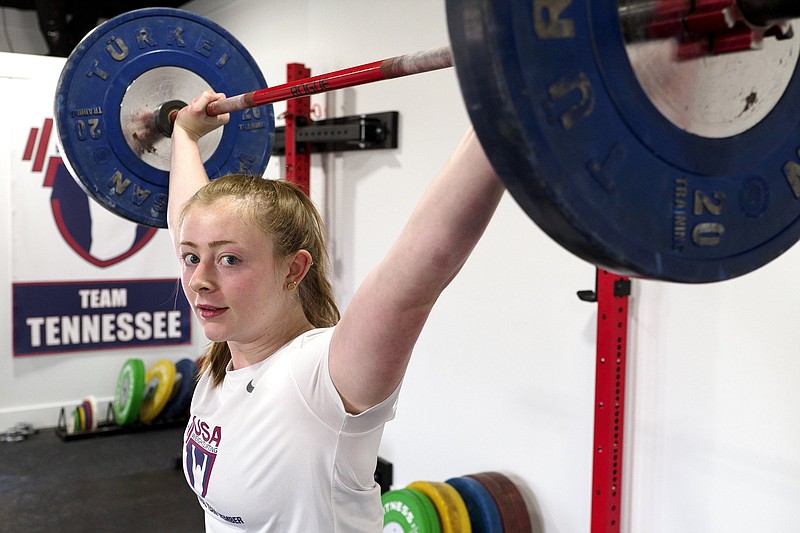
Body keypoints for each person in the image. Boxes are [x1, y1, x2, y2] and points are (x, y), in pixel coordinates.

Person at [170, 89, 504, 532]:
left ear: (294, 270)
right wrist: (184, 135)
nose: (199, 279)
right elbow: (187, 221)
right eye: (191, 258)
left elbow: (420, 273)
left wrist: (503, 105)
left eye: (230, 259)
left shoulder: (319, 379)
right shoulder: (222, 366)